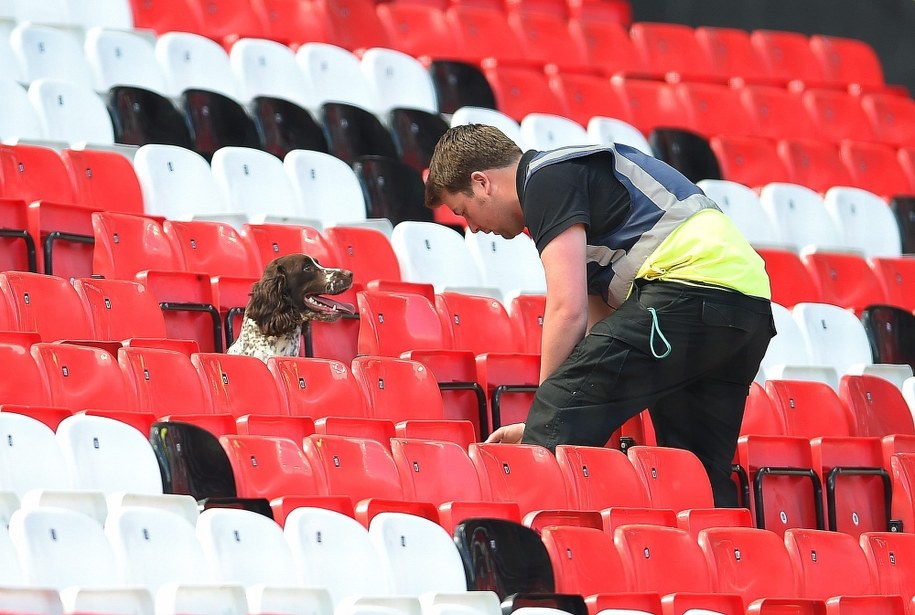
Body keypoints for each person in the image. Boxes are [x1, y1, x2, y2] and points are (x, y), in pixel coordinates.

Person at [424, 124, 775, 507]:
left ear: (482, 183)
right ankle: (718, 551)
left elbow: (566, 309)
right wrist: (555, 414)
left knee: (561, 399)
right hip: (745, 309)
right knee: (695, 472)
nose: (473, 228)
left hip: (687, 289)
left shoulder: (546, 179)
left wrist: (549, 410)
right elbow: (598, 333)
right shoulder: (579, 192)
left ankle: (531, 533)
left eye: (464, 211)